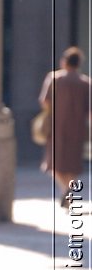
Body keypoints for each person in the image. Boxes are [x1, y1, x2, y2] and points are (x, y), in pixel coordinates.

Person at [38, 46, 91, 206]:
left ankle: (66, 190)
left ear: (64, 61)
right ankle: (69, 191)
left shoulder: (54, 79)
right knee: (73, 164)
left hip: (57, 127)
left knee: (54, 163)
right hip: (77, 128)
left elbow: (44, 101)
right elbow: (89, 110)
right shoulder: (85, 83)